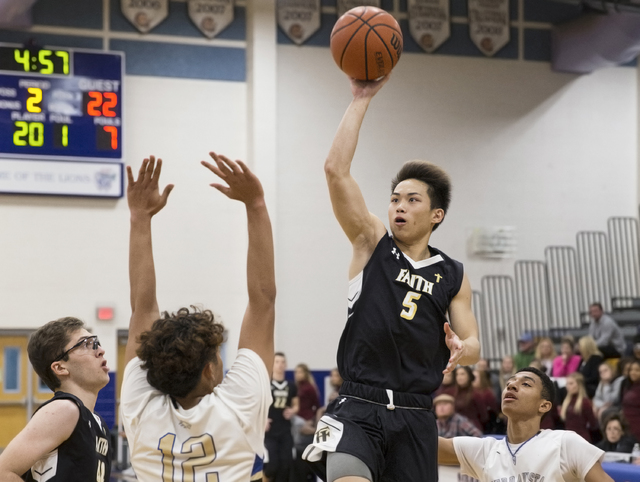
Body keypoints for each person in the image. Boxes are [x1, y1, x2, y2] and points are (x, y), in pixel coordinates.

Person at [303, 75, 480, 482]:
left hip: (416, 414)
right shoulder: (372, 243)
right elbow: (335, 171)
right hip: (357, 406)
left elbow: (473, 346)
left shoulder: (453, 274)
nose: (399, 206)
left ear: (436, 215)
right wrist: (361, 99)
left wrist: (460, 347)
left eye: (412, 200)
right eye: (395, 198)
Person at [120, 154, 275, 481]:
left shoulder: (140, 410)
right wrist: (256, 205)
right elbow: (262, 300)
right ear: (209, 369)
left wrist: (140, 218)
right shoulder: (239, 407)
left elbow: (142, 308)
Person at [438, 367, 614, 482]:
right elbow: (426, 444)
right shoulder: (486, 451)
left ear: (544, 405)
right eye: (509, 383)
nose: (512, 386)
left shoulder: (565, 444)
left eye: (526, 384)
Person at [0, 318, 112, 482]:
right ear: (60, 368)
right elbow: (4, 472)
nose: (100, 350)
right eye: (86, 344)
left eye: (96, 342)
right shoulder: (64, 409)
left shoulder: (98, 422)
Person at [265, 352, 298, 482]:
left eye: (282, 362)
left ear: (286, 365)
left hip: (285, 429)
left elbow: (296, 405)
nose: (280, 365)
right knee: (272, 465)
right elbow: (257, 404)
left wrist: (293, 410)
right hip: (270, 430)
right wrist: (262, 419)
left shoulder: (291, 385)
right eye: (277, 362)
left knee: (286, 465)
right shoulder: (266, 384)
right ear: (272, 364)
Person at [293, 363, 320, 482]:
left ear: (305, 373)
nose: (297, 374)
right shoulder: (296, 387)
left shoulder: (309, 388)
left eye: (300, 372)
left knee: (303, 454)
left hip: (305, 422)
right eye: (296, 372)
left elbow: (317, 406)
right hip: (297, 422)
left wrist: (312, 421)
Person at [559, 372, 599, 443]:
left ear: (579, 385)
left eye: (571, 383)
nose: (568, 386)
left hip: (581, 439)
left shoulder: (585, 402)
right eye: (567, 383)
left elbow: (593, 424)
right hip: (568, 439)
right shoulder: (567, 401)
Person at [453, 366, 486, 433]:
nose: (459, 377)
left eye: (462, 374)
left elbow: (484, 416)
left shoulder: (476, 394)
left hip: (472, 429)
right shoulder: (454, 393)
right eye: (457, 374)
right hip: (456, 429)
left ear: (469, 376)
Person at [620, 359, 640, 442]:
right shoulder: (625, 384)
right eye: (631, 370)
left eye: (637, 370)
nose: (633, 372)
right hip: (625, 423)